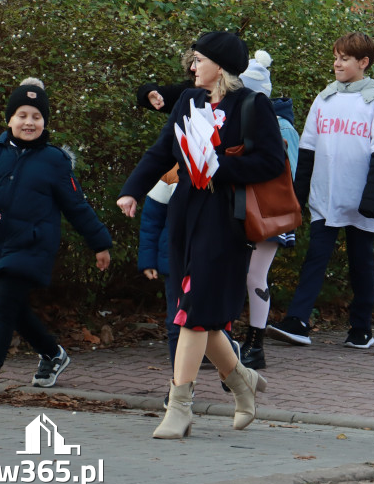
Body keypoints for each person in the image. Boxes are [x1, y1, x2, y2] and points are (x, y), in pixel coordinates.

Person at [117, 31, 285, 438]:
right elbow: (162, 151)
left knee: (192, 312)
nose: (191, 68)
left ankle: (180, 406)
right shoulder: (188, 102)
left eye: (198, 60)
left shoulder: (251, 104)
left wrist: (219, 168)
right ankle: (242, 382)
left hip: (225, 219)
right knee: (199, 314)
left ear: (221, 67)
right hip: (186, 213)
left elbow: (272, 162)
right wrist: (132, 190)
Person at [0, 78, 112, 405]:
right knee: (12, 309)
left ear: (45, 122)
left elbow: (76, 206)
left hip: (33, 245)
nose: (30, 122)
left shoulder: (54, 161)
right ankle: (52, 353)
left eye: (37, 117)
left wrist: (99, 243)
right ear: (9, 119)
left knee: (2, 308)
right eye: (23, 115)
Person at [267, 32, 374, 349]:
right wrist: (296, 197)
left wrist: (372, 200)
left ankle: (361, 328)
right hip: (326, 198)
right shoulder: (324, 98)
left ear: (363, 63)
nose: (337, 63)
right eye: (336, 57)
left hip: (360, 200)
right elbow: (308, 150)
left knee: (360, 262)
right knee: (316, 257)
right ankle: (297, 320)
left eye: (345, 58)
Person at [237, 50, 299, 368]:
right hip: (243, 209)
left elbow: (286, 176)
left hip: (268, 214)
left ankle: (255, 343)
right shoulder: (242, 121)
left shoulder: (282, 129)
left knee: (254, 275)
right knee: (241, 274)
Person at [138, 166, 181, 367]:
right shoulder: (170, 172)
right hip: (174, 259)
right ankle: (180, 385)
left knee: (213, 323)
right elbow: (151, 219)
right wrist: (148, 259)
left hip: (212, 260)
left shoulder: (225, 164)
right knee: (175, 323)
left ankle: (231, 369)